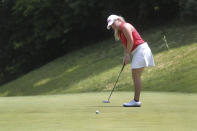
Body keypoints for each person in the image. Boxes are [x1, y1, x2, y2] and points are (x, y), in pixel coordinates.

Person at [106, 14, 155, 107]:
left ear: (118, 20)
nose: (113, 26)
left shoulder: (125, 26)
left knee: (136, 75)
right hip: (138, 51)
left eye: (113, 23)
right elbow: (127, 44)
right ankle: (136, 100)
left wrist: (128, 55)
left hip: (141, 50)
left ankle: (136, 101)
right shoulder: (120, 32)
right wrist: (125, 56)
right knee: (135, 75)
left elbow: (131, 41)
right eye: (111, 25)